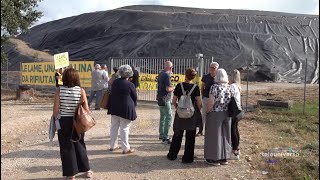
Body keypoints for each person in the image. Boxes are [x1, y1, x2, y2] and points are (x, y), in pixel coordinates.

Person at [53, 68, 93, 179]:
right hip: (78, 121)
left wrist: (57, 123)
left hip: (64, 121)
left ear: (64, 78)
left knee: (66, 147)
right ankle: (87, 170)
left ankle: (71, 175)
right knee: (80, 144)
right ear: (76, 78)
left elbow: (56, 111)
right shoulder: (81, 91)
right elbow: (87, 110)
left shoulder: (59, 90)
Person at [167, 68, 202, 163]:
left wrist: (178, 108)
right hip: (191, 115)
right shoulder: (196, 87)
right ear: (194, 77)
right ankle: (187, 158)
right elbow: (199, 102)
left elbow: (173, 101)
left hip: (180, 114)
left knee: (177, 135)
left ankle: (172, 155)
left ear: (185, 75)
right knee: (190, 137)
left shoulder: (179, 86)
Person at [204, 68, 233, 166]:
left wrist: (208, 111)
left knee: (214, 136)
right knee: (225, 135)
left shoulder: (214, 87)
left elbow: (211, 102)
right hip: (227, 113)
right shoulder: (229, 87)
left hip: (216, 113)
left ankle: (214, 158)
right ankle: (224, 158)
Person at [107, 64, 137, 154]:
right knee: (124, 128)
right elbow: (135, 97)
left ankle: (113, 145)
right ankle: (126, 148)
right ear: (129, 74)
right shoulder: (130, 85)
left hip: (114, 107)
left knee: (114, 127)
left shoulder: (115, 82)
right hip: (125, 109)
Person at [156, 60, 174, 144]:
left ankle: (161, 134)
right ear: (170, 68)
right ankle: (165, 137)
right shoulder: (166, 75)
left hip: (160, 97)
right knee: (169, 117)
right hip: (165, 98)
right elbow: (168, 89)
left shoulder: (161, 73)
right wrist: (173, 87)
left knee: (162, 116)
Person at [199, 62, 219, 136]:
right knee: (203, 115)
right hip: (206, 98)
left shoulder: (218, 78)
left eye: (214, 68)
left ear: (217, 69)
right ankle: (200, 130)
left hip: (215, 100)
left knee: (213, 116)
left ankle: (210, 131)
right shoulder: (206, 77)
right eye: (211, 67)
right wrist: (202, 96)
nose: (212, 69)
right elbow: (202, 86)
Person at [229, 69, 242, 160]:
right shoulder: (238, 86)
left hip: (233, 110)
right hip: (238, 110)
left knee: (232, 130)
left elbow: (229, 96)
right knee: (235, 129)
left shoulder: (232, 86)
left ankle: (235, 149)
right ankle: (237, 146)